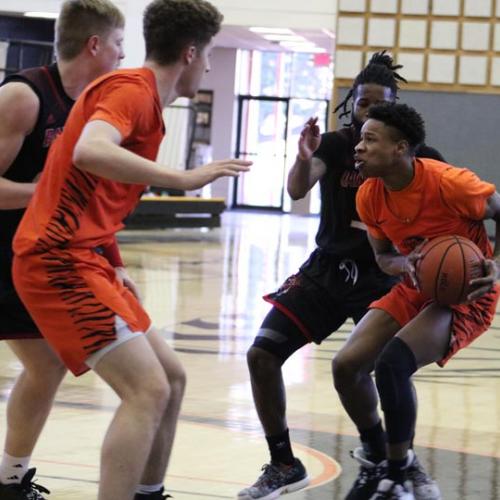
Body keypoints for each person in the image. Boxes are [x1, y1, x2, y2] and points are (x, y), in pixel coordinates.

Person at [11, 1, 250, 499]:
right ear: (190, 53)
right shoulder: (131, 91)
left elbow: (94, 194)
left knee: (172, 378)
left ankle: (149, 492)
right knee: (147, 390)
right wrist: (183, 178)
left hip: (85, 258)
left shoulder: (143, 100)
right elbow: (90, 150)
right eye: (207, 56)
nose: (207, 67)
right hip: (55, 260)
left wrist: (114, 263)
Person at [239, 53, 443, 500]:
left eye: (377, 104)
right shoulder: (334, 145)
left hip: (387, 276)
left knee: (387, 370)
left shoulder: (422, 159)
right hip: (328, 270)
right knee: (261, 355)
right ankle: (283, 464)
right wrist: (303, 157)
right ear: (351, 103)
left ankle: (398, 460)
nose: (366, 111)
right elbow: (296, 189)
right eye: (362, 103)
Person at [336, 102, 500, 499]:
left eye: (370, 140)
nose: (358, 147)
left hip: (466, 293)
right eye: (359, 139)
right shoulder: (369, 196)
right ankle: (381, 455)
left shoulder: (450, 183)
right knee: (347, 366)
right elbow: (383, 257)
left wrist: (497, 265)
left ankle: (398, 476)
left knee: (393, 363)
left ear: (400, 148)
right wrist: (403, 263)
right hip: (416, 284)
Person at [0, 1, 126, 498]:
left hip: (29, 253)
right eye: (118, 43)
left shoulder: (91, 109)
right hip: (5, 248)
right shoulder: (24, 97)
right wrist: (43, 190)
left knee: (47, 363)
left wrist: (113, 262)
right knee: (46, 363)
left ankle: (10, 478)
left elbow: (85, 200)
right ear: (94, 45)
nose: (122, 55)